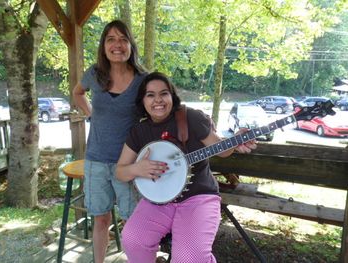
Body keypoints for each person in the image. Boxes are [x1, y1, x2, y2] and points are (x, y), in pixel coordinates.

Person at [116, 72, 257, 263]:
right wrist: (137, 169)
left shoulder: (190, 117)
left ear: (171, 97)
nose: (158, 100)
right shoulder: (139, 131)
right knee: (133, 239)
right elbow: (120, 171)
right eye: (150, 95)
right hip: (158, 200)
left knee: (189, 258)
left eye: (163, 93)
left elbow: (222, 150)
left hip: (198, 197)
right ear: (142, 101)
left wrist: (236, 141)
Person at [72, 20, 147, 262]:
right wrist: (91, 112)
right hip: (96, 161)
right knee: (101, 218)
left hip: (128, 164)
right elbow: (77, 92)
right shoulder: (95, 73)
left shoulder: (142, 79)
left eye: (123, 39)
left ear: (131, 46)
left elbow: (159, 110)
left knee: (132, 220)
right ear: (104, 45)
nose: (117, 45)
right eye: (111, 39)